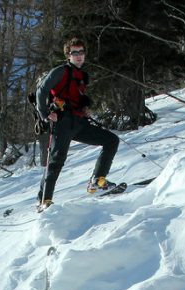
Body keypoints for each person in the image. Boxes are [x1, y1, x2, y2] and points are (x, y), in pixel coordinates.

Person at [34, 38, 120, 211]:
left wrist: (85, 109)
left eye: (81, 52)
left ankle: (97, 180)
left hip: (79, 122)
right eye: (75, 53)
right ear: (68, 55)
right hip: (63, 122)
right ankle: (44, 200)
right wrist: (44, 114)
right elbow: (41, 90)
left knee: (111, 140)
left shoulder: (82, 75)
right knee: (56, 161)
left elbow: (75, 98)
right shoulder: (61, 71)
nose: (79, 56)